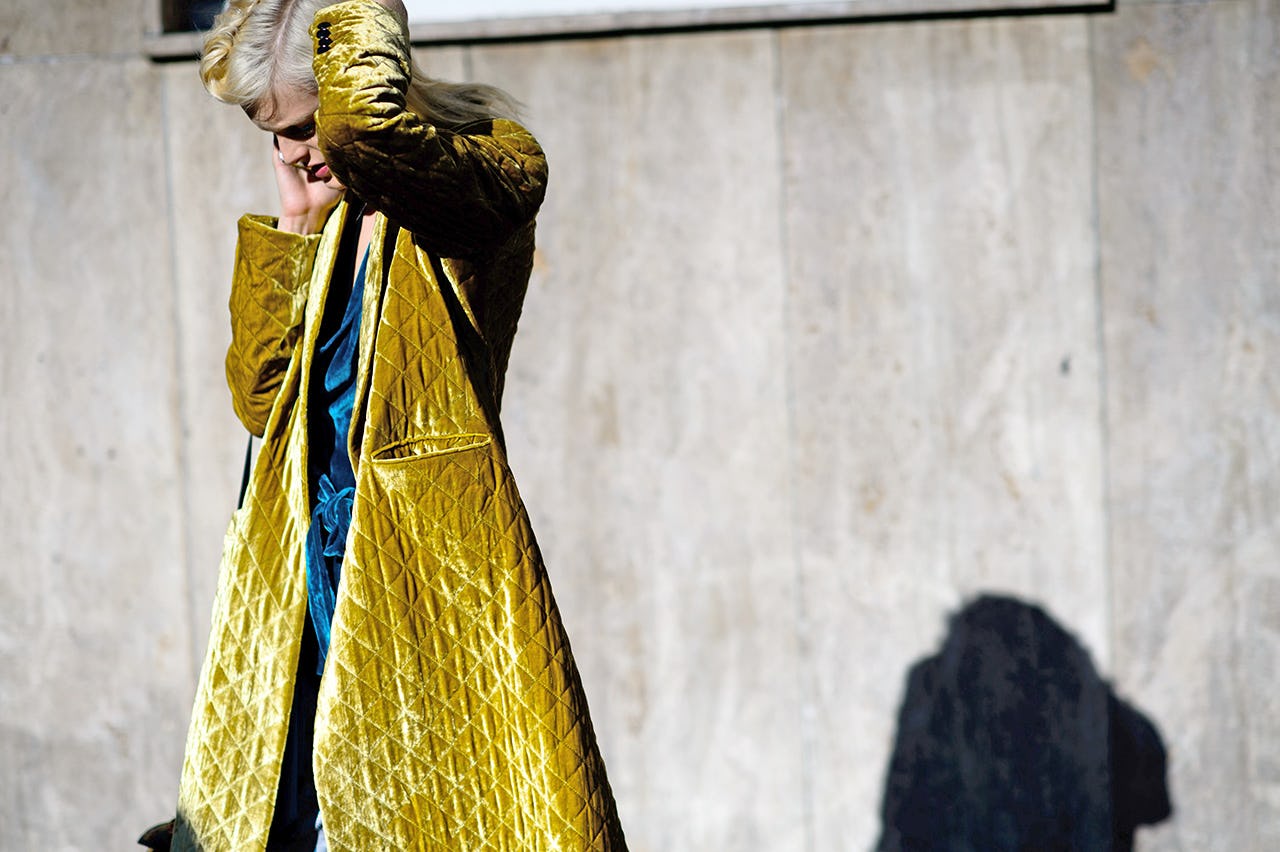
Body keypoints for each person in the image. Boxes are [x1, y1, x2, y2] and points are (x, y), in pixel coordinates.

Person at [156, 1, 627, 849]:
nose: (295, 153)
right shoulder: (329, 218)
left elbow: (368, 128)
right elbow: (260, 401)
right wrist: (296, 227)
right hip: (299, 577)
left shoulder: (487, 171)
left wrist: (351, 10)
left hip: (418, 578)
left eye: (303, 125)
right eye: (273, 137)